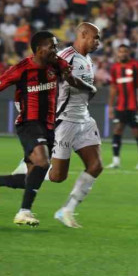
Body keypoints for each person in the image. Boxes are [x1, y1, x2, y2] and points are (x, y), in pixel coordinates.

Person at [0, 31, 90, 226]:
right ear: (39, 49)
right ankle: (24, 212)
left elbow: (70, 79)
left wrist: (83, 85)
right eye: (52, 46)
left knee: (32, 178)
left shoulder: (57, 64)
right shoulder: (21, 69)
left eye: (56, 46)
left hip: (49, 126)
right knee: (43, 163)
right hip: (28, 124)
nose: (56, 50)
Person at [49, 23, 104, 227]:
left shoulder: (87, 59)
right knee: (57, 177)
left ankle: (66, 210)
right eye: (95, 37)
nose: (98, 42)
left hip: (84, 119)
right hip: (65, 121)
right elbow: (50, 80)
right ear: (83, 34)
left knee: (96, 166)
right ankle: (28, 168)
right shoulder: (65, 56)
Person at [107, 45, 138, 169]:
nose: (123, 54)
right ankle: (116, 161)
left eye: (125, 51)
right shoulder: (114, 68)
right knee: (117, 130)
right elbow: (113, 88)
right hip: (121, 106)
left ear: (129, 53)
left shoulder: (137, 65)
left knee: (137, 132)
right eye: (120, 51)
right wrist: (110, 106)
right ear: (117, 53)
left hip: (135, 105)